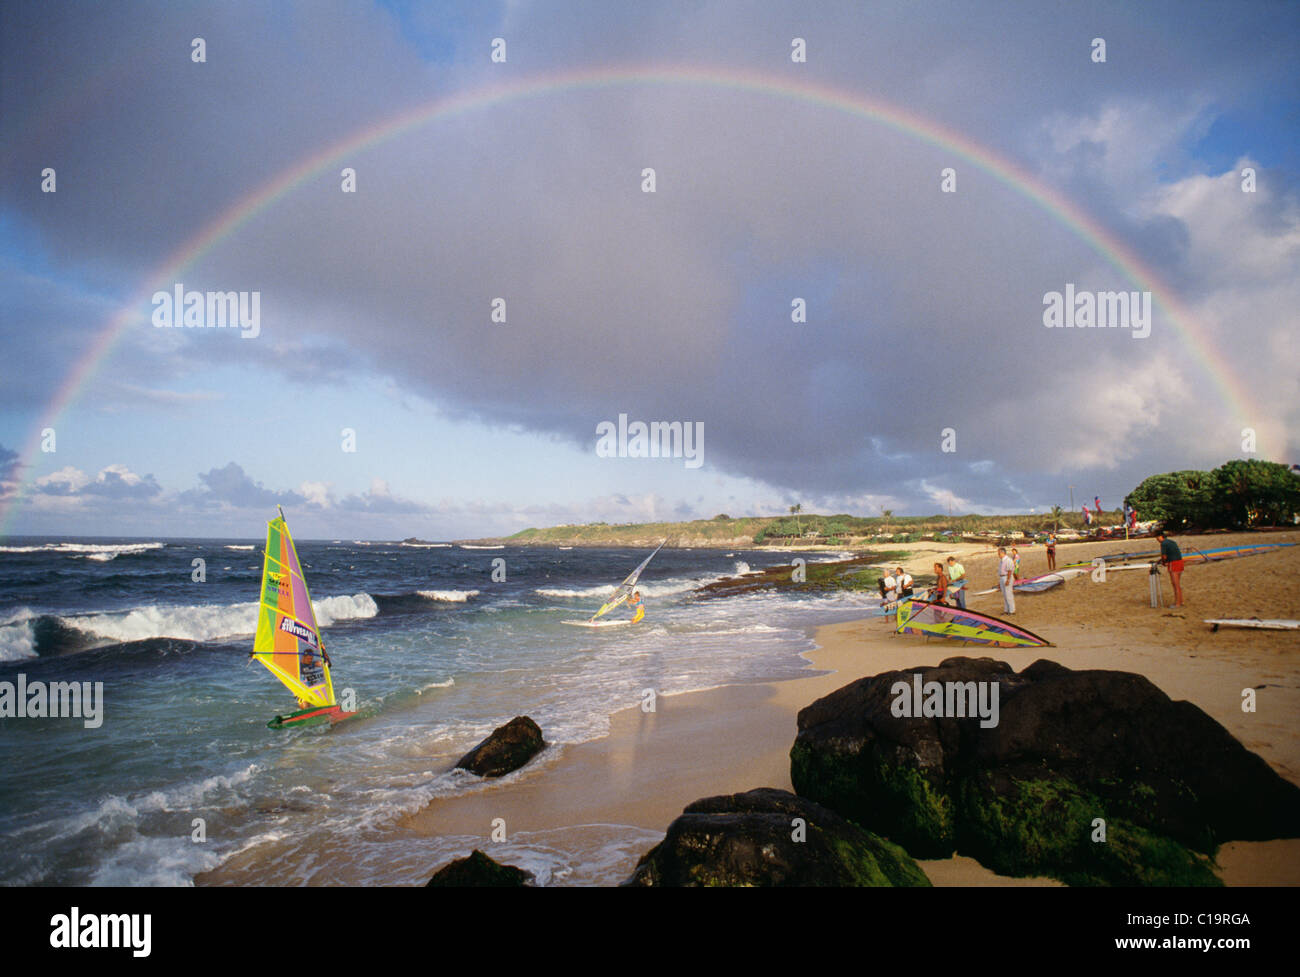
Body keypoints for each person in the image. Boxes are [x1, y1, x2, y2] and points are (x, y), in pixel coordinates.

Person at [1156, 531, 1184, 607]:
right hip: (1180, 562)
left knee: (1175, 584)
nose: (1157, 540)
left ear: (1160, 537)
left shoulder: (1163, 544)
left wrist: (1164, 562)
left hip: (1174, 563)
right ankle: (1181, 601)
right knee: (1177, 584)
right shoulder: (1171, 541)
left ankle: (1177, 603)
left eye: (1157, 538)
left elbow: (1164, 556)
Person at [997, 546, 1016, 615]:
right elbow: (1000, 571)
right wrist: (999, 582)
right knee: (1005, 595)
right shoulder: (1001, 561)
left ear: (1002, 553)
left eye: (999, 553)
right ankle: (1006, 610)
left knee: (1008, 594)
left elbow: (1010, 571)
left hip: (1007, 577)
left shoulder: (1008, 560)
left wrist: (1008, 580)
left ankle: (1012, 610)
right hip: (1002, 577)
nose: (998, 555)